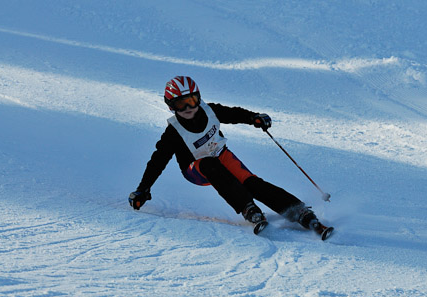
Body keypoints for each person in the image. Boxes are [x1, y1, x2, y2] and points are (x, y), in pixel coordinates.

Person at [129, 76, 326, 235]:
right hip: (196, 169)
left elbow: (234, 113)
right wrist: (143, 189)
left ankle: (297, 210)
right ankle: (248, 208)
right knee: (208, 165)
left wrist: (253, 118)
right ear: (171, 106)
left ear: (198, 98)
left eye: (192, 101)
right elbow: (158, 160)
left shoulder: (210, 111)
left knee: (252, 183)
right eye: (181, 104)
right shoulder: (174, 132)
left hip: (221, 155)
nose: (188, 108)